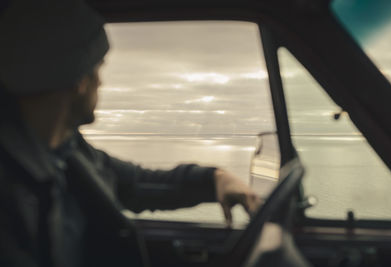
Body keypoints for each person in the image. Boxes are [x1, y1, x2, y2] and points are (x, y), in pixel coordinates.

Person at [0, 0, 260, 266]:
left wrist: (215, 179)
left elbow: (137, 182)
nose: (101, 81)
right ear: (79, 78)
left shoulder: (69, 153)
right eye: (98, 68)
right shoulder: (10, 188)